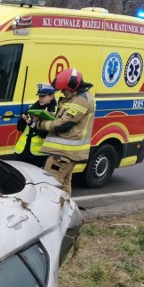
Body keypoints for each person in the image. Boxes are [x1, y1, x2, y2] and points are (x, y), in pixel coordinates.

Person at [33, 67, 95, 195]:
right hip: (64, 152)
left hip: (63, 152)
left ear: (72, 87)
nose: (62, 93)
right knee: (64, 183)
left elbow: (64, 124)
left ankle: (52, 213)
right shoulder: (75, 98)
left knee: (50, 184)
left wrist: (40, 124)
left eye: (64, 90)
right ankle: (66, 212)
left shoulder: (81, 100)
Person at [14, 83, 57, 166]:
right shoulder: (32, 107)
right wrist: (23, 119)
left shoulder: (55, 112)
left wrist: (33, 123)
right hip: (22, 150)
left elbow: (46, 134)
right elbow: (20, 128)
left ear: (51, 96)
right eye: (39, 96)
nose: (40, 98)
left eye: (43, 96)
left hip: (39, 154)